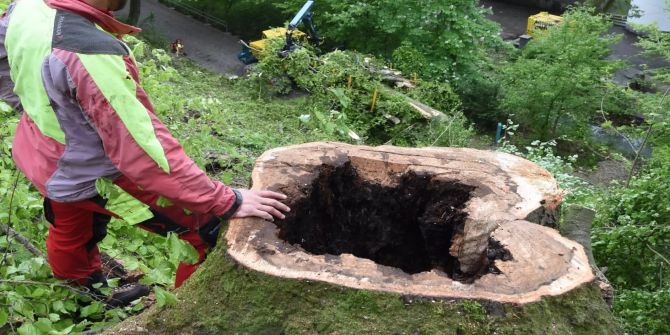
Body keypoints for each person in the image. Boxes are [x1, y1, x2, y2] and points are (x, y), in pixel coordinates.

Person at [0, 0, 290, 307]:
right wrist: (226, 201)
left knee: (71, 231)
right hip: (97, 176)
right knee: (208, 229)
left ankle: (81, 299)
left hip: (43, 157)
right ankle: (179, 316)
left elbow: (4, 65)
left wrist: (33, 109)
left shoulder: (27, 7)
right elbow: (143, 151)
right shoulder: (88, 54)